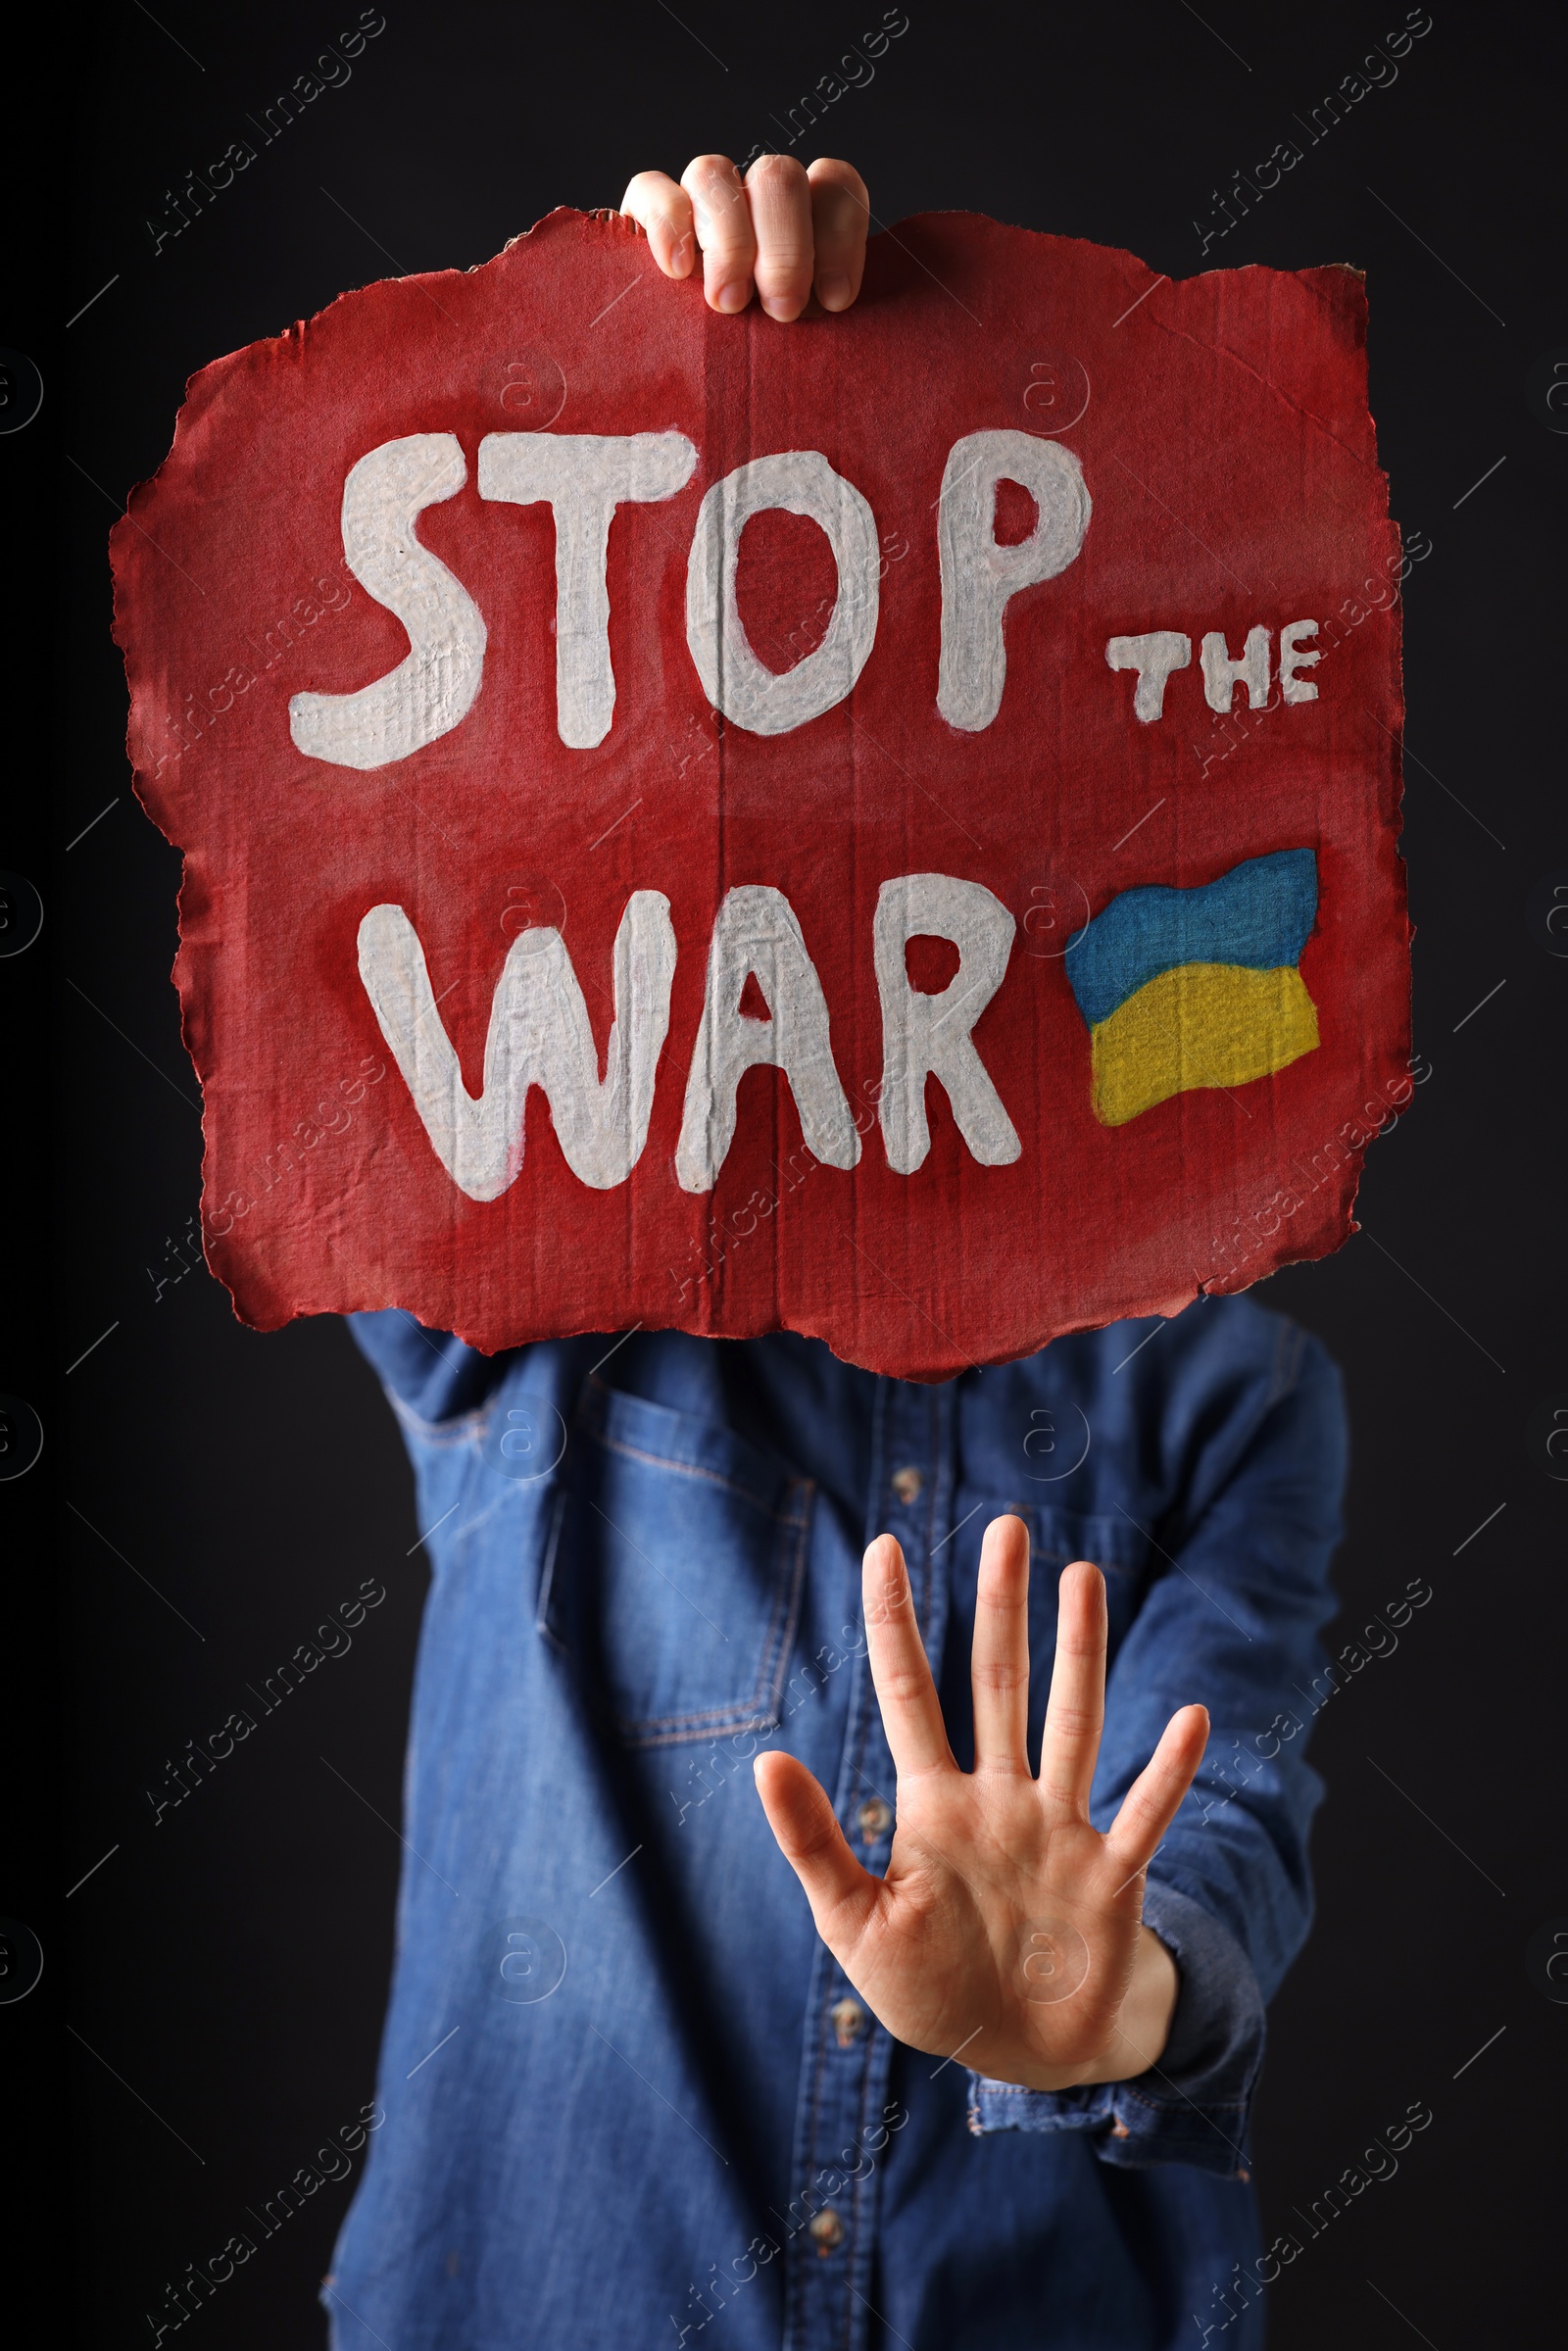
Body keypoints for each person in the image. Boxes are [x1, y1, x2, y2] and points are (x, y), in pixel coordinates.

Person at [321, 155, 1347, 2351]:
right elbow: (395, 913)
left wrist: (1115, 2003)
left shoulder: (1226, 1385)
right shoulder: (553, 1259)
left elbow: (1224, 1790)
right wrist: (663, 380)